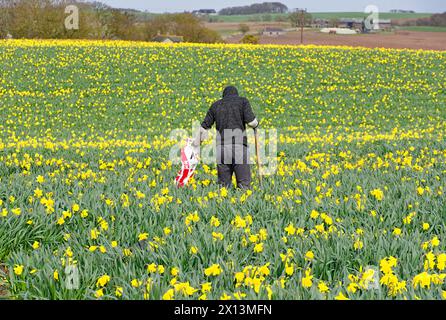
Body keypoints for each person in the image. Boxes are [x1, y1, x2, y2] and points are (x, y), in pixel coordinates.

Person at [194, 86, 259, 189]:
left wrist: (196, 146)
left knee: (223, 186)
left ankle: (223, 202)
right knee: (244, 185)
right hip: (239, 147)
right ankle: (244, 202)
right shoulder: (242, 102)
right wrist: (256, 124)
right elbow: (251, 122)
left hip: (222, 149)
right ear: (236, 95)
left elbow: (203, 128)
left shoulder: (215, 105)